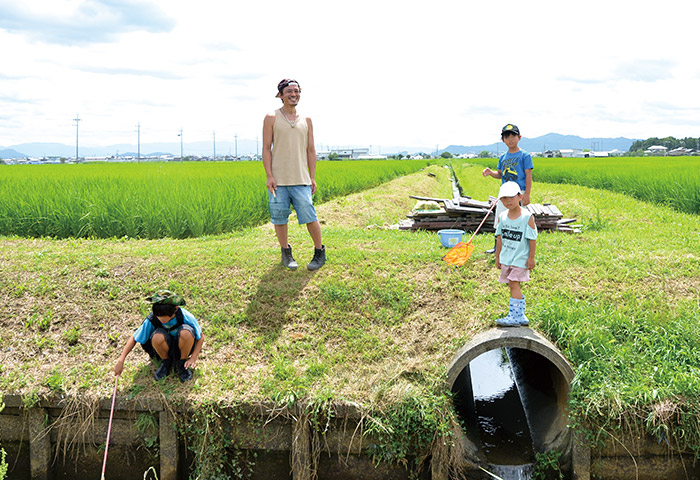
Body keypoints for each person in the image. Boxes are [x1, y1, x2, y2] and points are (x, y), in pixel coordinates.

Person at [262, 78, 326, 271]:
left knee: (309, 214)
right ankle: (286, 252)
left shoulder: (306, 120)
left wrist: (312, 176)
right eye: (289, 91)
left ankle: (319, 252)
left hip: (301, 179)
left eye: (296, 91)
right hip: (278, 180)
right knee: (280, 217)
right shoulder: (271, 117)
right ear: (280, 95)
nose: (293, 94)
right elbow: (266, 148)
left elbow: (311, 150)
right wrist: (269, 176)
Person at [113, 290, 203, 382]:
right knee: (157, 336)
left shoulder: (185, 316)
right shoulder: (152, 319)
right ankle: (166, 362)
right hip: (163, 349)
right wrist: (121, 360)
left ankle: (182, 363)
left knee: (186, 332)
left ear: (175, 309)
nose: (161, 319)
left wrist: (193, 358)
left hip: (183, 347)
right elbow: (135, 338)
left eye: (164, 315)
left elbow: (201, 337)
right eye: (158, 315)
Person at [482, 123, 534, 254]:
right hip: (504, 193)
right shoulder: (503, 157)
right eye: (507, 137)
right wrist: (490, 172)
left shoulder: (525, 155)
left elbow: (528, 175)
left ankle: (522, 247)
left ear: (519, 137)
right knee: (500, 218)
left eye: (513, 136)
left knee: (521, 219)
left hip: (519, 192)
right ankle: (497, 247)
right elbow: (500, 174)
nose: (510, 139)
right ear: (503, 140)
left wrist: (527, 194)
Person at [494, 182, 537, 327]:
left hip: (520, 258)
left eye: (511, 197)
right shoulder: (502, 216)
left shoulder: (527, 217)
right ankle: (520, 314)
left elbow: (532, 238)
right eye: (504, 198)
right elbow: (499, 238)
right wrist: (498, 256)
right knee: (512, 285)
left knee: (513, 284)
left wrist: (531, 257)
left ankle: (515, 316)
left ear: (520, 196)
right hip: (507, 257)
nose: (508, 201)